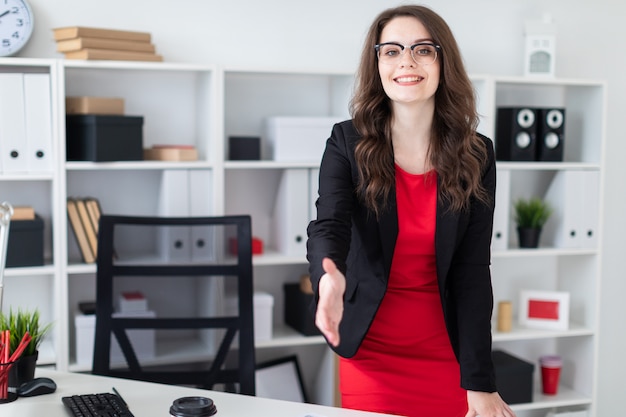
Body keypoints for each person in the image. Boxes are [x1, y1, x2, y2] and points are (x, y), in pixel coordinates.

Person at [306, 5, 516, 417]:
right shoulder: (346, 142)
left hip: (446, 351)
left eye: (423, 49)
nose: (407, 61)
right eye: (392, 51)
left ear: (443, 62)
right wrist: (328, 280)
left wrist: (479, 381)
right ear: (377, 62)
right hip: (373, 351)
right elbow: (328, 225)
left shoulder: (478, 153)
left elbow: (473, 269)